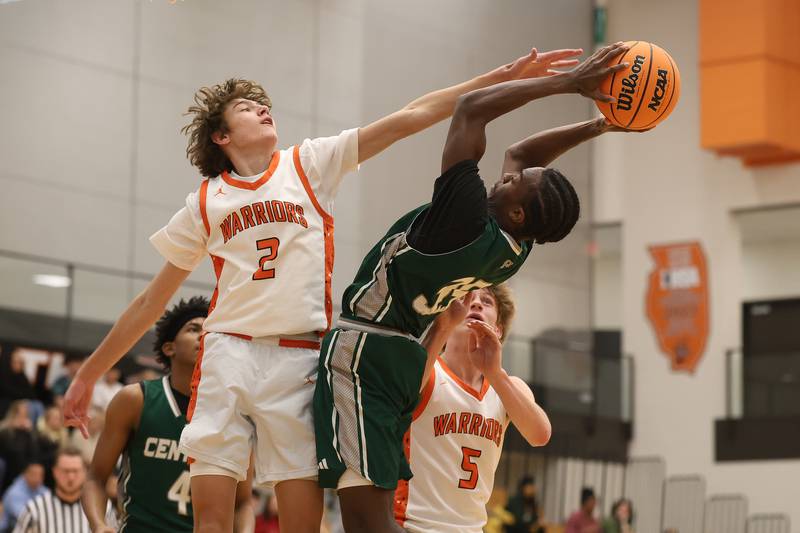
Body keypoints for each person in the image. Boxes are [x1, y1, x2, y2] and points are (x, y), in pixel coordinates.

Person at [62, 45, 583, 533]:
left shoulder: (308, 163)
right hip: (227, 353)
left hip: (299, 357)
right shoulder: (204, 201)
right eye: (246, 108)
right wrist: (89, 374)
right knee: (212, 523)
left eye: (263, 104)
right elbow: (151, 301)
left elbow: (412, 115)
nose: (263, 109)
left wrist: (498, 78)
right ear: (220, 136)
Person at [313, 42, 631, 532]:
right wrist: (600, 125)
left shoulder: (462, 220)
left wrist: (570, 84)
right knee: (369, 514)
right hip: (404, 355)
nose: (510, 173)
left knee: (363, 519)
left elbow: (470, 110)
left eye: (517, 181)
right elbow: (523, 155)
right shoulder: (513, 249)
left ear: (518, 211)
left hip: (365, 347)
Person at [81, 297, 254, 533]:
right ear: (169, 348)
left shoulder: (235, 411)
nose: (204, 336)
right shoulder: (135, 400)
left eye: (210, 331)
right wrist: (99, 525)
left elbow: (242, 502)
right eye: (193, 329)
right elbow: (95, 479)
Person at [393, 286, 550, 533]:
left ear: (498, 329)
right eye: (466, 297)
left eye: (486, 301)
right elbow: (399, 399)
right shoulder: (429, 371)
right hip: (414, 526)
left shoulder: (506, 386)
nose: (475, 304)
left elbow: (540, 435)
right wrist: (441, 328)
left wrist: (495, 373)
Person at [12, 448, 89, 533]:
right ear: (55, 472)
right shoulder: (34, 509)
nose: (71, 477)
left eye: (75, 471)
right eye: (65, 471)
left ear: (85, 472)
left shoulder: (97, 509)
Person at [0, 402, 40, 494]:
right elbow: (10, 450)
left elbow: (34, 453)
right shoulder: (5, 430)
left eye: (25, 415)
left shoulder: (29, 432)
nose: (22, 418)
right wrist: (17, 429)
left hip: (24, 466)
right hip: (8, 465)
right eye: (19, 414)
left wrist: (29, 432)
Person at [0, 462, 48, 532]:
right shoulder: (14, 492)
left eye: (41, 475)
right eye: (34, 474)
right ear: (25, 474)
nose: (38, 478)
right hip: (10, 529)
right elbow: (24, 517)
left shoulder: (43, 490)